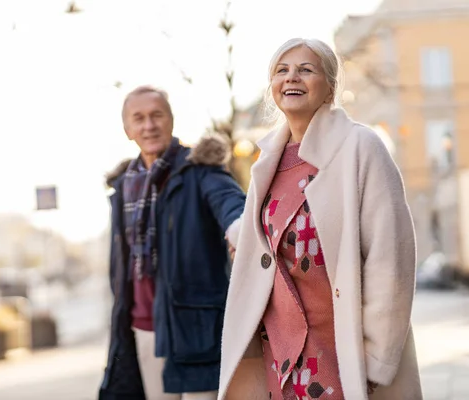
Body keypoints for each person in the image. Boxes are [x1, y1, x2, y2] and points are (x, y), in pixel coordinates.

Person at [218, 38, 422, 400]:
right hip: (281, 352)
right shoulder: (267, 162)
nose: (291, 77)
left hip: (341, 349)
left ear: (329, 87)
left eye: (305, 69)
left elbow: (391, 257)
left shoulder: (360, 147)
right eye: (282, 71)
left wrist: (376, 357)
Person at [98, 85, 246, 400]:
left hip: (196, 327)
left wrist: (239, 230)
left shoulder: (199, 170)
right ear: (128, 130)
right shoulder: (124, 188)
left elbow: (232, 206)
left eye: (157, 115)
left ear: (171, 120)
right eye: (138, 118)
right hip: (144, 327)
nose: (149, 125)